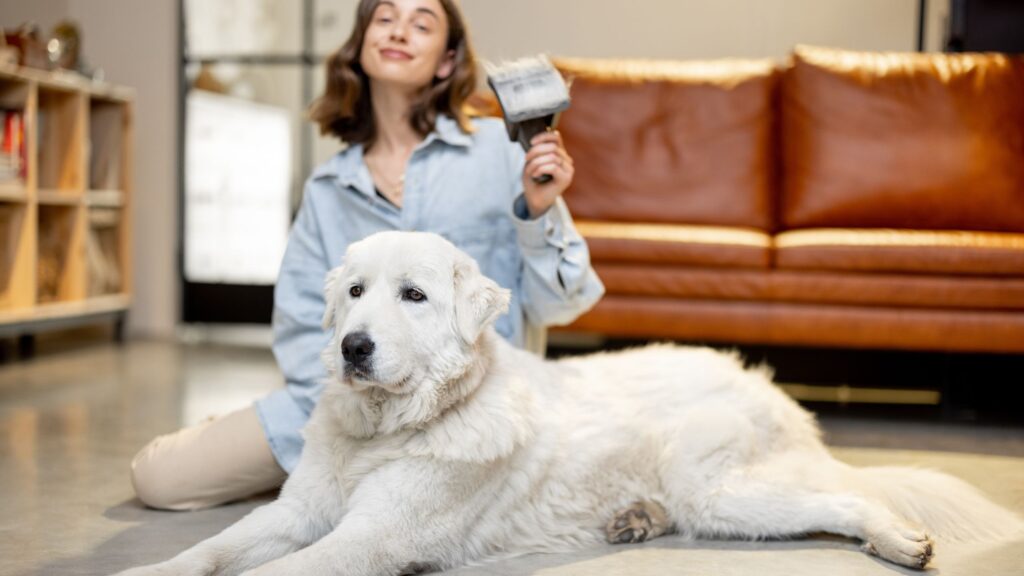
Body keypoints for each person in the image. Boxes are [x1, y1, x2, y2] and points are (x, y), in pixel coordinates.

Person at [130, 0, 604, 510]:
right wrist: (357, 421)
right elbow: (298, 324)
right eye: (384, 18)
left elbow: (563, 305)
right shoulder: (328, 189)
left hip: (470, 414)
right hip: (351, 406)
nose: (400, 30)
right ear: (360, 46)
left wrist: (539, 210)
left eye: (421, 23)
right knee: (160, 479)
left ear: (446, 60)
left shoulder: (503, 154)